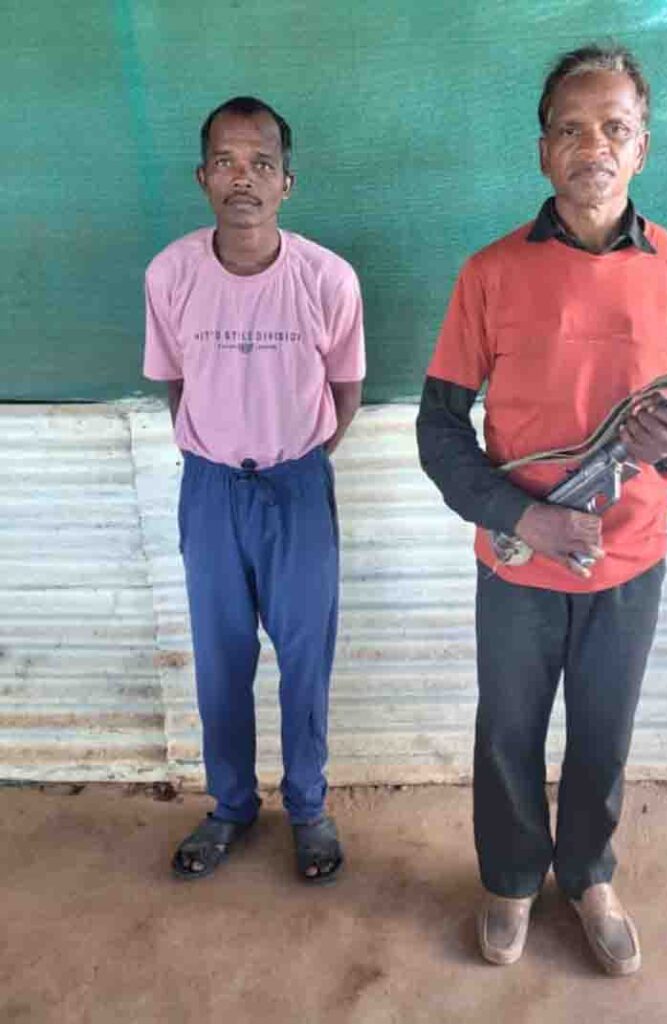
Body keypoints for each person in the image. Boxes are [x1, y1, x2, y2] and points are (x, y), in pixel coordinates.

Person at [416, 44, 667, 973]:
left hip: (630, 560)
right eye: (571, 129)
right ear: (543, 150)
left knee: (603, 730)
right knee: (508, 729)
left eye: (614, 128)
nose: (594, 146)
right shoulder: (488, 273)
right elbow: (438, 429)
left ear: (642, 147)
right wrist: (522, 519)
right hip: (517, 558)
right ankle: (511, 878)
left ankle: (588, 874)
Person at [143, 96, 365, 884]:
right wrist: (219, 450)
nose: (244, 178)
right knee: (220, 659)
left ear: (285, 183)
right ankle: (231, 805)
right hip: (209, 491)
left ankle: (308, 808)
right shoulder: (170, 274)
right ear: (202, 177)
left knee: (305, 659)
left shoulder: (327, 278)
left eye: (261, 164)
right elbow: (174, 382)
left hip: (295, 490)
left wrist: (294, 459)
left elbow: (345, 389)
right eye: (226, 162)